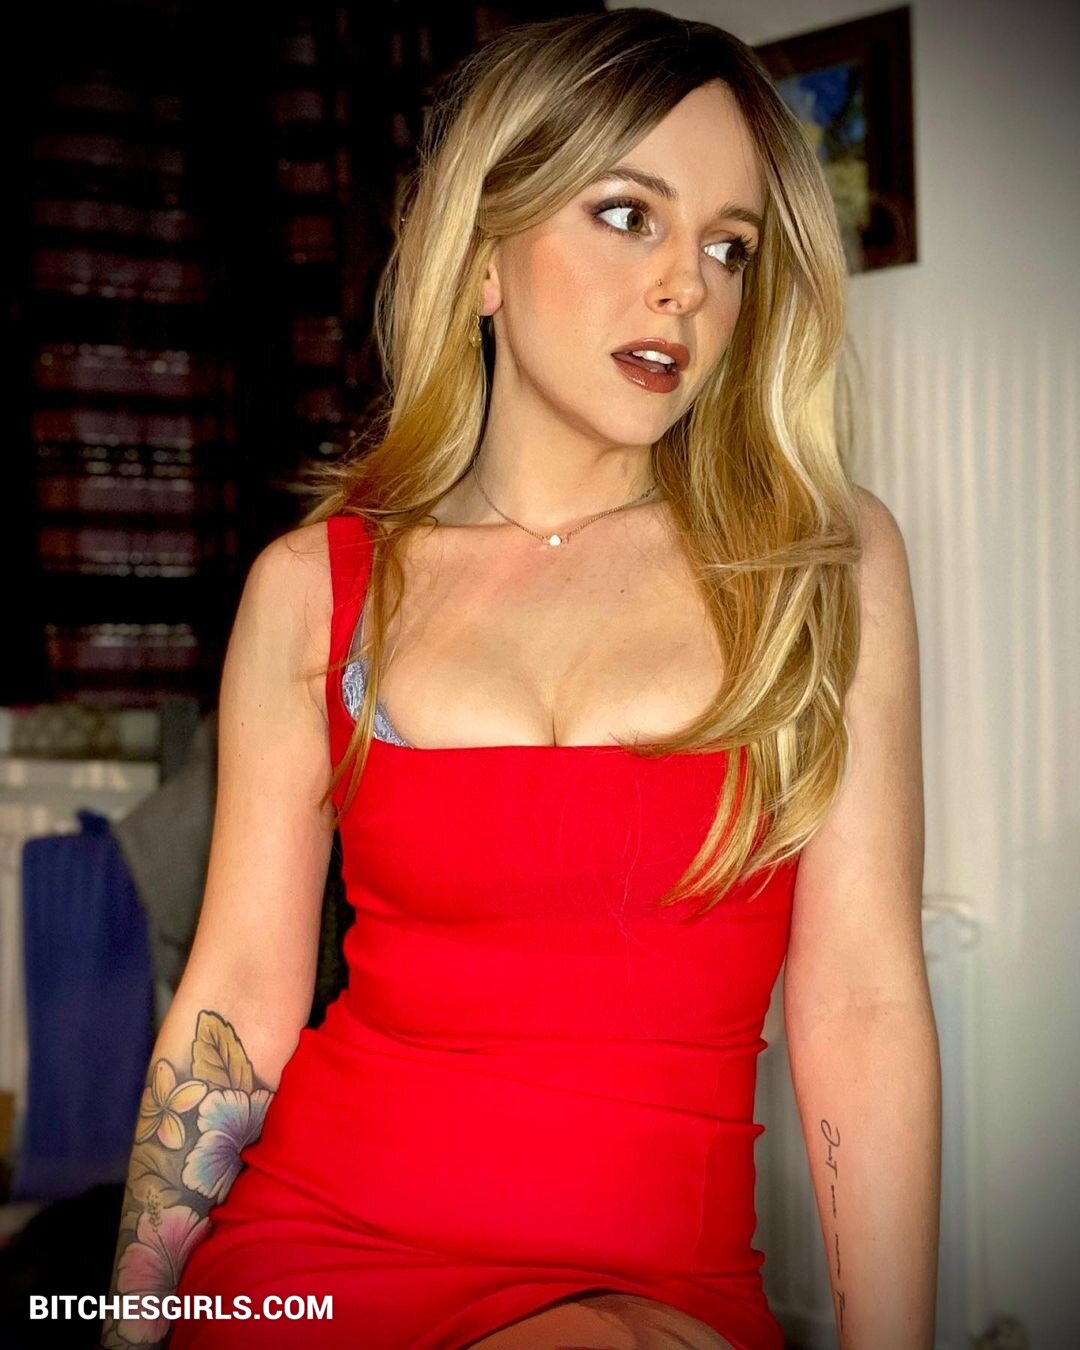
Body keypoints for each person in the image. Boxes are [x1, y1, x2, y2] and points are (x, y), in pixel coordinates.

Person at [101, 9, 940, 1349]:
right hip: (318, 1248)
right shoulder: (318, 586)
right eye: (628, 216)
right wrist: (130, 1322)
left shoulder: (817, 564)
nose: (687, 287)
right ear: (485, 257)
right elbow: (238, 997)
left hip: (649, 1290)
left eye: (728, 246)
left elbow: (862, 1005)